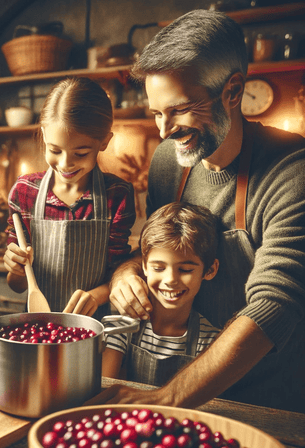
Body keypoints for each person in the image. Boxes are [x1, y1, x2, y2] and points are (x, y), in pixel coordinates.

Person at [93, 10, 305, 413]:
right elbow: (154, 246)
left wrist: (167, 397)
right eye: (157, 112)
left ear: (233, 91)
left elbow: (275, 303)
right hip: (187, 392)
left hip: (269, 405)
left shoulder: (293, 169)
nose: (164, 130)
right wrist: (126, 272)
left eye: (180, 109)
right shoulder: (166, 164)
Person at [3, 77, 136, 317]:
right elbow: (17, 285)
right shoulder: (24, 192)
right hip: (38, 325)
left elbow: (118, 273)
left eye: (81, 152)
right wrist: (16, 269)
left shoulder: (117, 195)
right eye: (55, 150)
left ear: (104, 141)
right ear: (44, 135)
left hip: (95, 327)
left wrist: (96, 296)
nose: (65, 164)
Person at [102, 202, 220, 384]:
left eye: (186, 270)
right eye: (158, 268)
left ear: (210, 270)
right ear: (144, 266)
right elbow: (105, 385)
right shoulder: (122, 324)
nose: (170, 280)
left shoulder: (211, 341)